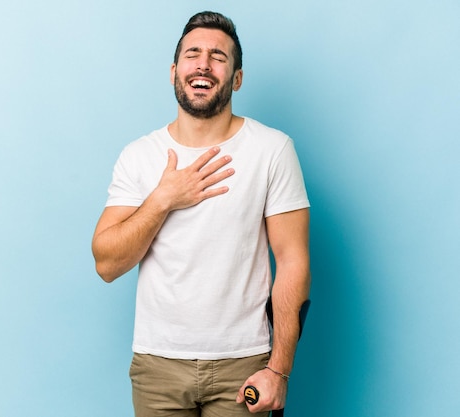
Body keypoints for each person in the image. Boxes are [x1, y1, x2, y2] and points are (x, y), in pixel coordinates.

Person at [92, 11, 310, 417]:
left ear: (237, 78)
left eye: (218, 56)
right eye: (193, 54)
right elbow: (106, 263)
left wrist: (278, 370)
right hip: (158, 365)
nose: (204, 64)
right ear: (175, 71)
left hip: (244, 363)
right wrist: (163, 199)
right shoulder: (140, 156)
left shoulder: (272, 150)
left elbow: (294, 262)